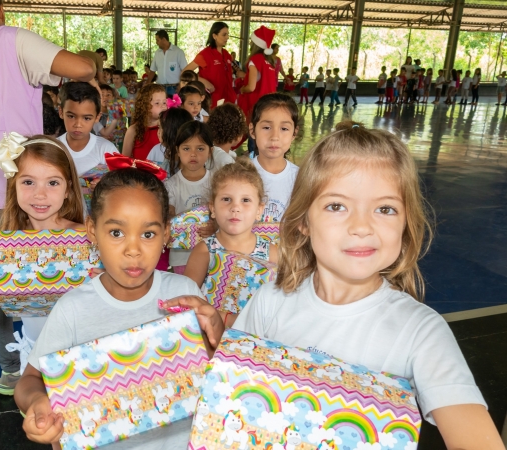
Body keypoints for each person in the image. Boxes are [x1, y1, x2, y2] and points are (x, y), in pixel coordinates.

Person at [183, 120, 504, 450]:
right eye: (337, 206)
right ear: (303, 222)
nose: (362, 226)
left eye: (385, 208)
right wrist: (211, 339)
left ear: (406, 223)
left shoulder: (421, 334)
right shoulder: (270, 300)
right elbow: (235, 385)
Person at [0, 0, 96, 395]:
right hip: (16, 184)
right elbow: (83, 69)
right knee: (53, 275)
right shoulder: (11, 39)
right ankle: (55, 368)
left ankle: (11, 371)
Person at [15, 167, 222, 448]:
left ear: (166, 235)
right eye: (116, 232)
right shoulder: (73, 310)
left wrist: (217, 333)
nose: (133, 250)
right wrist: (38, 402)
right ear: (92, 231)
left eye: (148, 234)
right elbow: (30, 379)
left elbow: (217, 369)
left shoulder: (184, 293)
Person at [0, 134, 85, 373]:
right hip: (34, 355)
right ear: (14, 186)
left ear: (69, 189)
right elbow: (2, 285)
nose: (40, 194)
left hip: (82, 353)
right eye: (28, 182)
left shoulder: (87, 237)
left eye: (53, 182)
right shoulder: (10, 245)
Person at [184, 159, 279, 325]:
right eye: (227, 199)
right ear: (212, 208)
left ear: (259, 210)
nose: (235, 207)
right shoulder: (205, 252)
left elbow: (280, 304)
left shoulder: (272, 253)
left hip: (256, 342)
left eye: (245, 200)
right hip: (212, 340)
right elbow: (187, 301)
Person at [165, 121, 215, 274]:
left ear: (210, 152)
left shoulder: (218, 182)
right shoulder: (171, 185)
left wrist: (216, 226)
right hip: (182, 257)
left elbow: (225, 214)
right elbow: (169, 215)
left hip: (212, 255)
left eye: (200, 148)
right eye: (186, 148)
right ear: (178, 151)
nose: (193, 154)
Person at [248, 93, 299, 223]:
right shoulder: (241, 173)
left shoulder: (300, 178)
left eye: (284, 128)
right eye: (266, 127)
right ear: (252, 130)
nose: (274, 136)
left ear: (294, 133)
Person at [56, 82, 118, 175]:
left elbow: (120, 183)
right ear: (61, 112)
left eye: (87, 118)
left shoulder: (106, 149)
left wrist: (104, 185)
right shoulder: (53, 148)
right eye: (71, 116)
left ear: (97, 117)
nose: (78, 124)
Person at [183, 22, 243, 108]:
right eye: (224, 34)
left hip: (228, 101)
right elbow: (185, 73)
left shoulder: (226, 55)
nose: (227, 37)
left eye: (228, 34)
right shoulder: (205, 54)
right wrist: (202, 81)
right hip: (212, 102)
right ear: (214, 36)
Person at [238, 26, 277, 125]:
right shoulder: (269, 61)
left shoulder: (254, 60)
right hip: (270, 105)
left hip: (256, 105)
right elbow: (261, 79)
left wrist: (242, 89)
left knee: (254, 136)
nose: (250, 43)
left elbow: (251, 87)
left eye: (252, 41)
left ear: (256, 44)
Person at [122, 84, 167, 159]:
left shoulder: (168, 128)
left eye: (164, 102)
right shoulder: (133, 130)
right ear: (145, 106)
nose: (163, 106)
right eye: (157, 103)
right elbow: (125, 160)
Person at [147, 107, 194, 172]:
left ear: (170, 131)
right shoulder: (156, 150)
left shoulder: (189, 158)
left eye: (160, 127)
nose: (158, 131)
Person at [150, 29, 188, 96]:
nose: (156, 42)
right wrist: (147, 83)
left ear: (164, 39)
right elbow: (152, 70)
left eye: (157, 40)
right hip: (160, 87)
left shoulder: (178, 52)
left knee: (174, 106)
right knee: (161, 106)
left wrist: (181, 85)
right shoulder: (157, 53)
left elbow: (185, 70)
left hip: (174, 88)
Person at [98, 84, 127, 149]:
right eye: (102, 95)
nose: (105, 97)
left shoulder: (118, 112)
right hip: (99, 145)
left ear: (113, 97)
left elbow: (122, 127)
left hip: (116, 145)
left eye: (108, 95)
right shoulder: (94, 114)